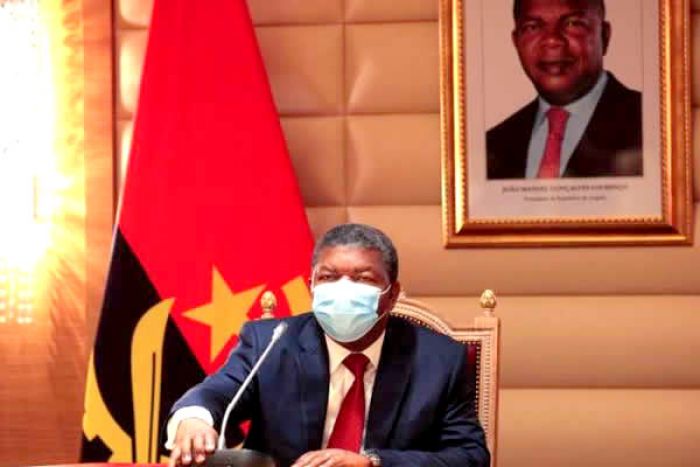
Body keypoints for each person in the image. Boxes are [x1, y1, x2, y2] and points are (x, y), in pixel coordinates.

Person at [165, 223, 490, 467]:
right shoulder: (270, 343)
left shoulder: (439, 360)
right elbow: (216, 393)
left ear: (391, 295)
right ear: (312, 286)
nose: (343, 290)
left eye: (363, 278)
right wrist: (194, 419)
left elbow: (470, 456)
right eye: (328, 277)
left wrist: (372, 463)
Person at [486, 0, 642, 179]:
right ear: (516, 42)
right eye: (532, 27)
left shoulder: (653, 123)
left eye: (573, 24)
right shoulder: (491, 147)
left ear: (604, 36)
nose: (552, 40)